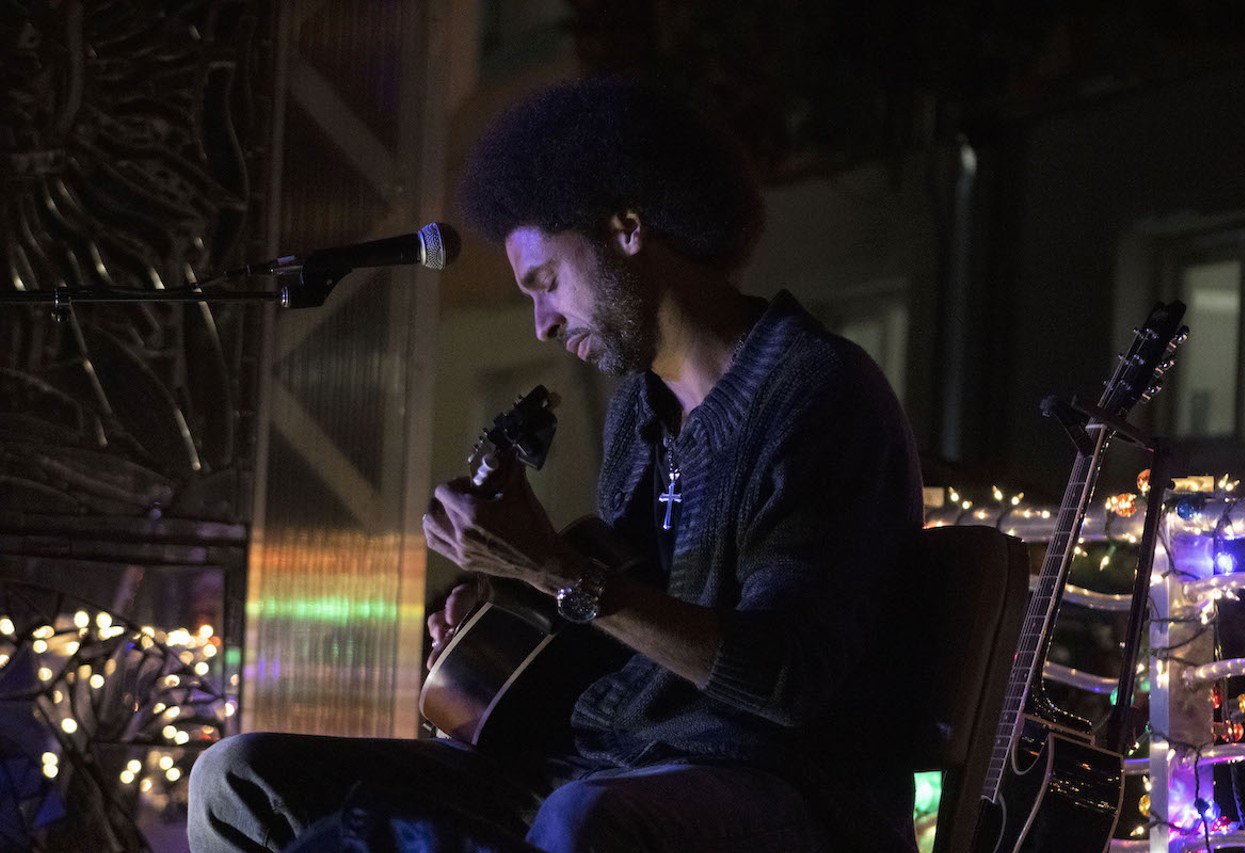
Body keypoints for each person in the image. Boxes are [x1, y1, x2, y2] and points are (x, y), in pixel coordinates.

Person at [189, 76, 923, 853]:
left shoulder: (813, 391)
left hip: (780, 788)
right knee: (238, 778)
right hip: (610, 763)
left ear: (628, 227)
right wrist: (502, 617)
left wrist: (552, 571)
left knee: (580, 819)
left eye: (546, 282)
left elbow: (785, 680)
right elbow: (622, 631)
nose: (542, 322)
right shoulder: (640, 413)